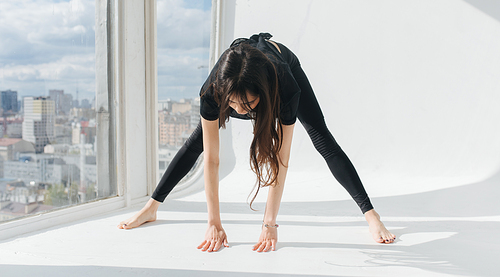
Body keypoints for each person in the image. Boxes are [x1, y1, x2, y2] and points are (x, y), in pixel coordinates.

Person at [118, 32, 396, 252]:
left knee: (322, 138)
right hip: (239, 79)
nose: (240, 111)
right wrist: (214, 222)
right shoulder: (212, 91)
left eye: (248, 104)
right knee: (197, 142)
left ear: (260, 94)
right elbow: (212, 160)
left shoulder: (286, 90)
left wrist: (269, 223)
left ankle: (371, 214)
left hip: (282, 67)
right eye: (234, 104)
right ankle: (151, 207)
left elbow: (281, 160)